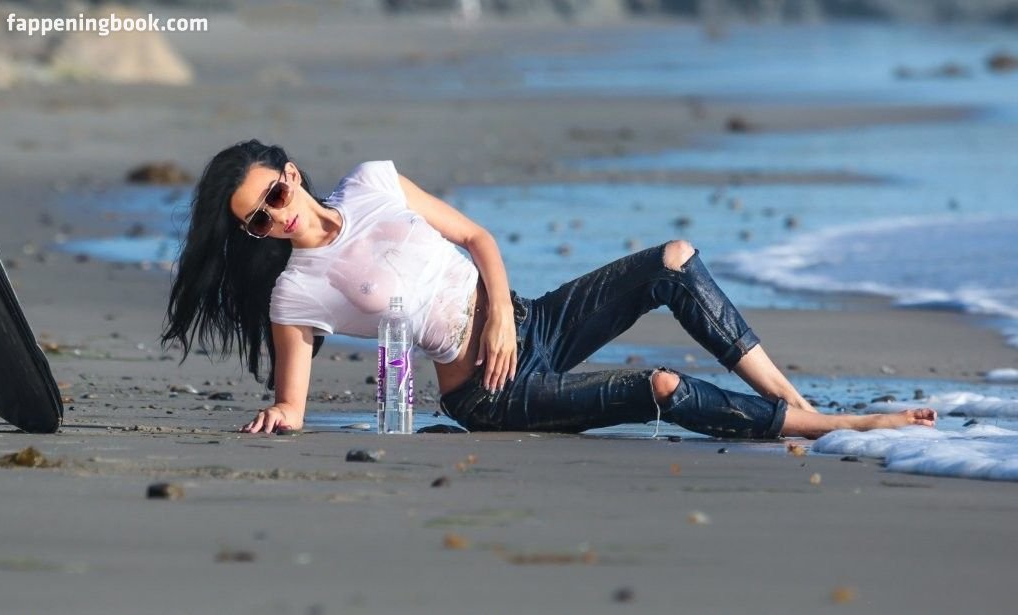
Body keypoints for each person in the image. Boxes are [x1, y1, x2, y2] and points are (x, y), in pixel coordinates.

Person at [162, 140, 937, 438]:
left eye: (274, 195)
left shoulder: (373, 182)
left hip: (528, 322)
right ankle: (832, 424)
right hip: (489, 393)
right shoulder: (294, 295)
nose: (277, 217)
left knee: (673, 259)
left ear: (292, 174)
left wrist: (502, 315)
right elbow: (294, 402)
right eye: (257, 220)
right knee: (659, 386)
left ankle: (792, 400)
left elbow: (478, 239)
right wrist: (282, 414)